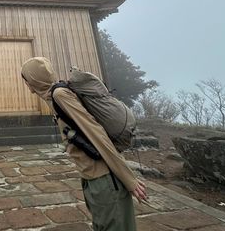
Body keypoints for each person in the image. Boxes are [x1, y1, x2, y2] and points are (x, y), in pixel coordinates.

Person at [21, 57, 146, 231]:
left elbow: (97, 133)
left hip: (106, 180)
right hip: (92, 178)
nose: (26, 84)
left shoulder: (60, 95)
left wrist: (129, 179)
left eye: (26, 79)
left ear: (33, 80)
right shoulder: (53, 97)